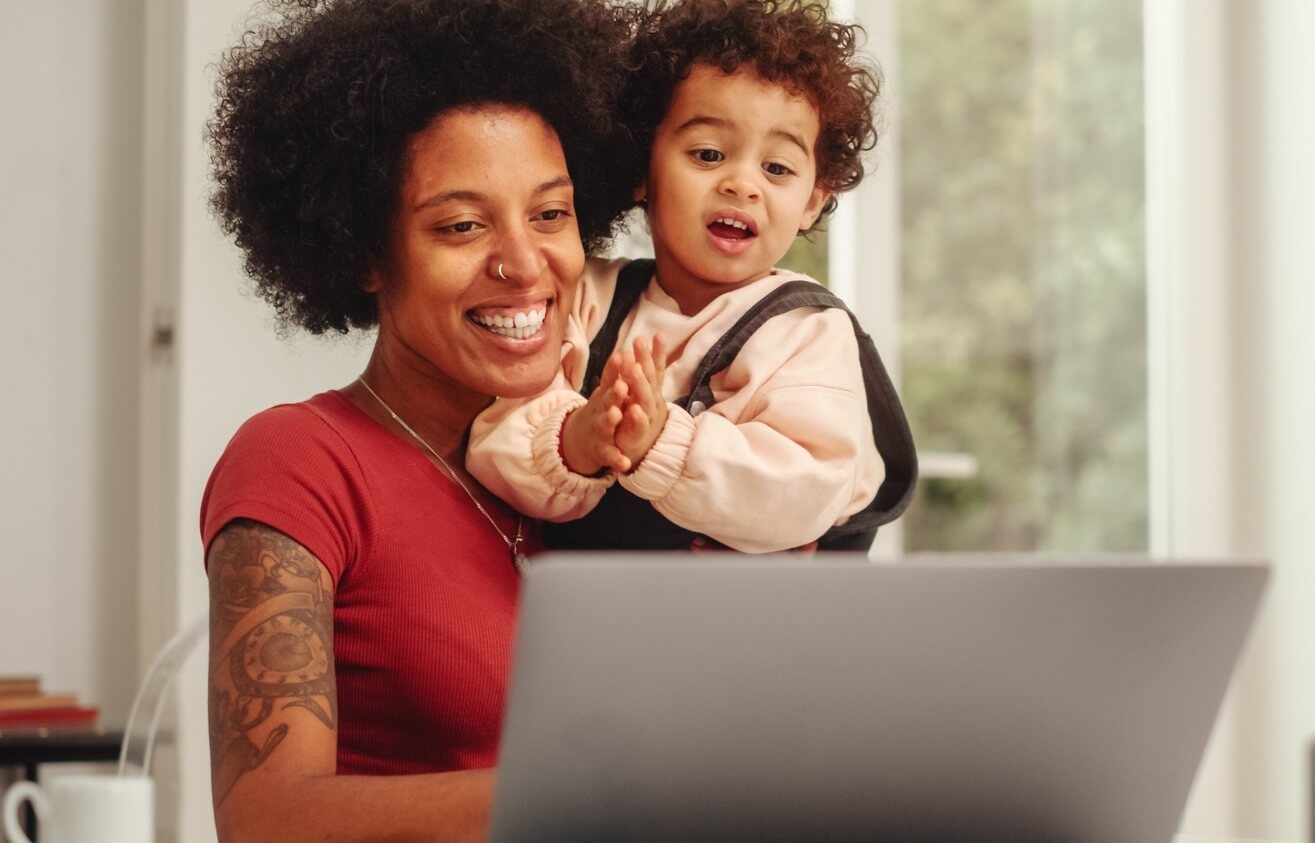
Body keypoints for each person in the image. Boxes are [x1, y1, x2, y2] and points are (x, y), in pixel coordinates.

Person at [199, 0, 638, 839]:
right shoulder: (301, 460)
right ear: (362, 251)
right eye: (462, 226)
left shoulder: (612, 449)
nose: (521, 264)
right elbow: (266, 817)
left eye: (550, 214)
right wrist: (591, 788)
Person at [467, 0, 915, 554]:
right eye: (708, 153)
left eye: (776, 168)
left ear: (811, 202)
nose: (742, 184)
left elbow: (806, 490)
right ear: (639, 170)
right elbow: (497, 432)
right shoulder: (589, 297)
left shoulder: (805, 330)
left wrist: (662, 443)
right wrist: (578, 441)